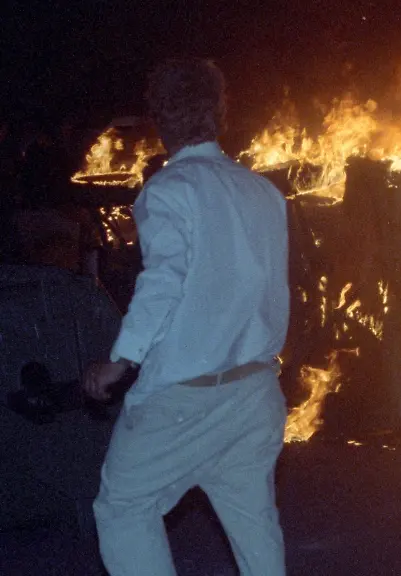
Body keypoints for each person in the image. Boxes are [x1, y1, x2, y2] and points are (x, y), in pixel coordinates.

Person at [83, 58, 290, 576]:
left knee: (124, 508)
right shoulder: (264, 192)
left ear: (158, 121)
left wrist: (119, 361)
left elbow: (164, 282)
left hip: (185, 396)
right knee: (255, 529)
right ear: (219, 113)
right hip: (255, 392)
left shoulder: (169, 190)